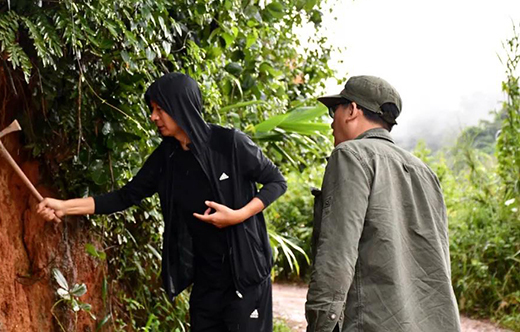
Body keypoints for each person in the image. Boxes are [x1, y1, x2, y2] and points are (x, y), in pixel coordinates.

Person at [37, 72, 286, 332]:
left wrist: (238, 215)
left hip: (245, 276)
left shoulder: (229, 144)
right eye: (152, 109)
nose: (153, 117)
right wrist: (64, 207)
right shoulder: (166, 158)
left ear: (181, 106)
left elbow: (276, 182)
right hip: (206, 281)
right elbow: (125, 196)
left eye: (160, 109)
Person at [305, 75, 461, 332]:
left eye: (335, 110)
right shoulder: (425, 171)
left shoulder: (350, 155)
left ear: (352, 110)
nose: (332, 121)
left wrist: (322, 323)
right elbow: (438, 260)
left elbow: (337, 252)